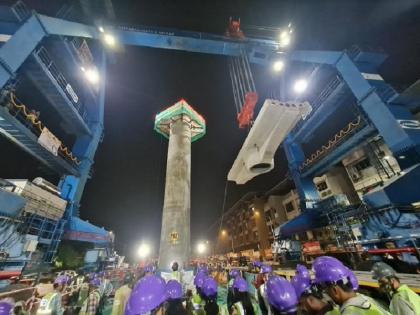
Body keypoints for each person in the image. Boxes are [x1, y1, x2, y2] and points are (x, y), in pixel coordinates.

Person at [313, 256, 391, 315]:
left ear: (335, 291)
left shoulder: (350, 312)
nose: (327, 296)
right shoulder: (368, 299)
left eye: (327, 291)